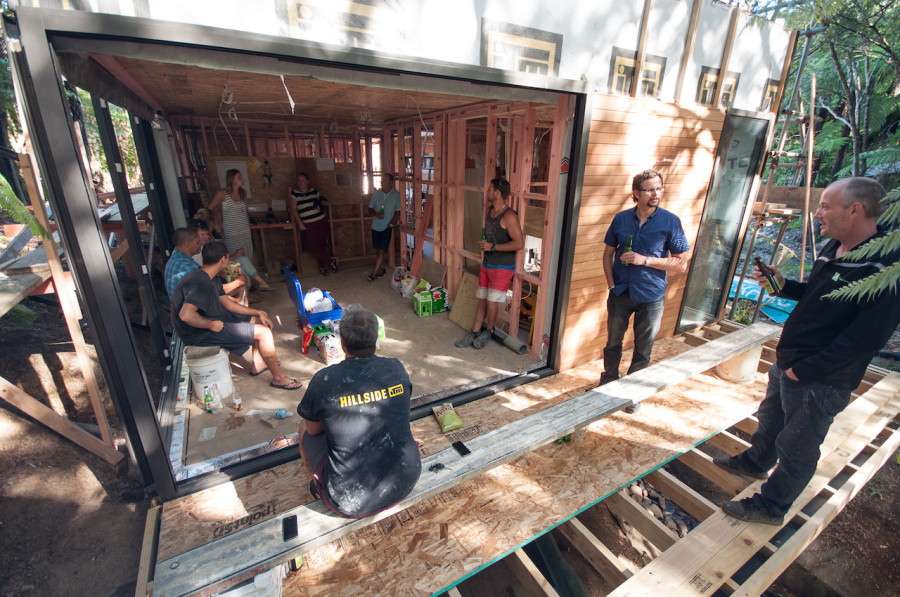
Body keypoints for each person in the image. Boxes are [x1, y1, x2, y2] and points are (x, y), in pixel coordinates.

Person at [717, 177, 900, 526]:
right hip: (791, 361)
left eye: (825, 206)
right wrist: (783, 285)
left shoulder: (884, 270)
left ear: (855, 209)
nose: (817, 214)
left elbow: (863, 341)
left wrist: (802, 372)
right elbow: (817, 296)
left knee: (798, 446)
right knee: (771, 419)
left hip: (821, 378)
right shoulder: (835, 247)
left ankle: (771, 507)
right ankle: (756, 462)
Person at [297, 304, 421, 518]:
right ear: (375, 339)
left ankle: (317, 482)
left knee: (303, 427)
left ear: (342, 342)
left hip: (348, 501)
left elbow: (313, 431)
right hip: (405, 480)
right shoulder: (396, 368)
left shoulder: (324, 380)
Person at [600, 169, 690, 412]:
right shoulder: (621, 219)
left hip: (651, 296)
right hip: (620, 292)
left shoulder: (670, 221)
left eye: (659, 188)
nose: (656, 193)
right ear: (636, 193)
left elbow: (681, 264)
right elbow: (608, 254)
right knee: (613, 342)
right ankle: (608, 381)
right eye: (650, 189)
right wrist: (611, 285)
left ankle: (632, 393)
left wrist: (646, 260)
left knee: (643, 348)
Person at [172, 241, 302, 390]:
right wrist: (211, 325)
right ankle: (278, 378)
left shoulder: (210, 277)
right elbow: (186, 315)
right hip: (199, 332)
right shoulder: (200, 282)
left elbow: (229, 305)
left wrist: (258, 312)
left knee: (259, 320)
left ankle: (258, 363)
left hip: (212, 320)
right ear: (223, 259)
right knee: (264, 333)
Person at [455, 178, 524, 349]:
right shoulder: (490, 211)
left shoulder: (509, 216)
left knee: (492, 302)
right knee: (482, 299)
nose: (487, 192)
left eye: (490, 189)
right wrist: (487, 245)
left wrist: (492, 246)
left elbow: (519, 243)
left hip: (502, 267)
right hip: (488, 263)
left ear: (498, 193)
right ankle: (475, 332)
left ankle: (489, 330)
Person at [208, 168, 274, 291]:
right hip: (232, 233)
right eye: (239, 177)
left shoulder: (243, 192)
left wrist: (249, 225)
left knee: (248, 256)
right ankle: (241, 288)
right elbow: (210, 209)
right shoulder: (222, 194)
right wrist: (216, 224)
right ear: (232, 180)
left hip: (245, 231)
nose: (242, 179)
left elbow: (244, 212)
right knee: (236, 260)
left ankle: (250, 286)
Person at [164, 227, 247, 304]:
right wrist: (237, 282)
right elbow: (214, 291)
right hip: (192, 308)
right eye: (197, 242)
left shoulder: (176, 256)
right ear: (187, 244)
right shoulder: (189, 268)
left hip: (185, 304)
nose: (200, 245)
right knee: (240, 286)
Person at [290, 172, 336, 276]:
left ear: (307, 182)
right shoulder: (294, 194)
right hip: (308, 224)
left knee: (322, 245)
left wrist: (321, 206)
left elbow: (323, 203)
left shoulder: (314, 191)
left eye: (302, 180)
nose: (300, 183)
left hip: (321, 221)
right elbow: (294, 209)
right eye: (298, 180)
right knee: (314, 247)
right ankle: (331, 261)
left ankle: (322, 267)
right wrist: (300, 224)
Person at [367, 173, 401, 282]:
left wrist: (392, 223)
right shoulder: (376, 194)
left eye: (385, 181)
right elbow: (370, 208)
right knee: (378, 250)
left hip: (387, 227)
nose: (382, 183)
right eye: (382, 180)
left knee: (381, 250)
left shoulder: (396, 195)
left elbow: (398, 212)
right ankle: (382, 269)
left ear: (391, 182)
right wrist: (376, 214)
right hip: (375, 226)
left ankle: (374, 273)